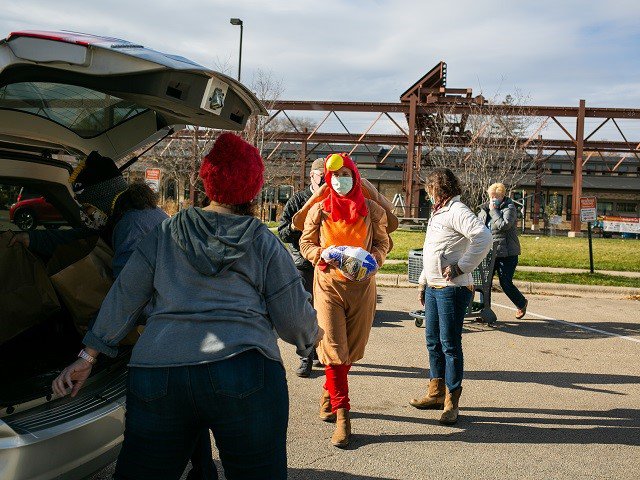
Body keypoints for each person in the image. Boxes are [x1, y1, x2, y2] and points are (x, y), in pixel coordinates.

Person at [51, 132, 320, 480]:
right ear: (254, 189)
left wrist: (88, 357)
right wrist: (311, 336)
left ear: (206, 180)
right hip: (246, 371)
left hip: (159, 372)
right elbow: (293, 319)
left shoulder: (164, 233)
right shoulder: (262, 242)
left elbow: (125, 295)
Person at [9, 153, 215, 478]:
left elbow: (125, 300)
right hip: (183, 327)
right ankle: (203, 472)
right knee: (189, 410)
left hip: (164, 334)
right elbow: (83, 237)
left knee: (152, 431)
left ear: (102, 200)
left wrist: (89, 351)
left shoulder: (131, 228)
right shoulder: (134, 214)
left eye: (87, 206)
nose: (85, 214)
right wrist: (34, 238)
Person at [299, 153, 390, 448]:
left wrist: (375, 258)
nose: (340, 181)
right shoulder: (319, 210)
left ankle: (329, 391)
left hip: (362, 289)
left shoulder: (371, 210)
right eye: (334, 176)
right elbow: (305, 242)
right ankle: (343, 417)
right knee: (334, 350)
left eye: (345, 175)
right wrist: (317, 255)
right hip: (328, 287)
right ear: (328, 179)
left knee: (349, 351)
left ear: (355, 176)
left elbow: (383, 242)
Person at [410, 168, 491, 425]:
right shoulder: (439, 212)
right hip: (435, 287)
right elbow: (431, 251)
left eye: (429, 189)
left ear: (438, 188)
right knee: (433, 341)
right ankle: (436, 392)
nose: (427, 194)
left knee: (450, 344)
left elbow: (483, 237)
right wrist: (423, 282)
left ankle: (451, 402)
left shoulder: (457, 211)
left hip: (452, 289)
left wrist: (461, 267)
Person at [278, 157, 325, 377]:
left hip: (327, 264)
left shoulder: (334, 199)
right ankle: (306, 357)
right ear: (312, 177)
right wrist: (301, 225)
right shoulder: (298, 200)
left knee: (325, 312)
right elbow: (283, 231)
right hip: (304, 263)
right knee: (306, 311)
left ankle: (321, 353)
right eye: (320, 176)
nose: (325, 180)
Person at [478, 182, 528, 319]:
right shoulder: (484, 209)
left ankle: (521, 303)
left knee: (505, 283)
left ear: (502, 196)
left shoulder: (509, 208)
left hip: (507, 253)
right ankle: (484, 311)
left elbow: (504, 225)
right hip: (489, 252)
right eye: (491, 196)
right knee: (484, 283)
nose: (493, 199)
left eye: (496, 196)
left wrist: (494, 210)